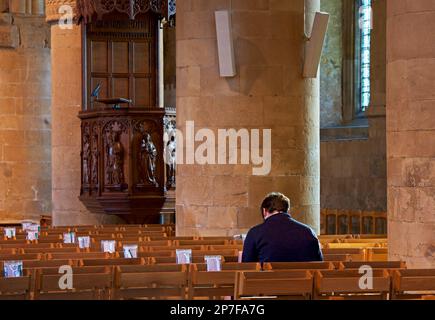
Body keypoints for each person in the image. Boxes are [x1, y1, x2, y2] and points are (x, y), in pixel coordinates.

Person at [242, 192, 323, 263]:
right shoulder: (308, 232)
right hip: (303, 280)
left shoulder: (255, 233)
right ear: (287, 210)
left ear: (264, 211)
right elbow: (318, 263)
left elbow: (248, 266)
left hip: (268, 279)